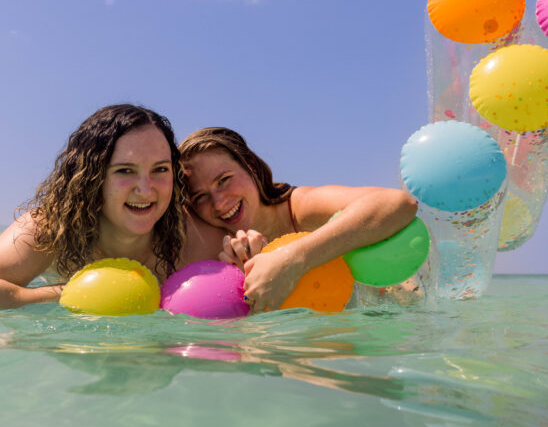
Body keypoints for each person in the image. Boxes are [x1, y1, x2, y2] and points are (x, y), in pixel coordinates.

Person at [0, 104, 225, 310]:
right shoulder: (53, 226)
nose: (145, 189)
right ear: (93, 178)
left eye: (160, 169)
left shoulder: (190, 236)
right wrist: (75, 294)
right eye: (125, 170)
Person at [179, 127, 418, 312]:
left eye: (224, 180)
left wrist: (293, 259)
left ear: (250, 166)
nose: (219, 203)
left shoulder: (297, 208)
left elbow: (398, 203)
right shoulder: (226, 252)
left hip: (400, 309)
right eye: (201, 197)